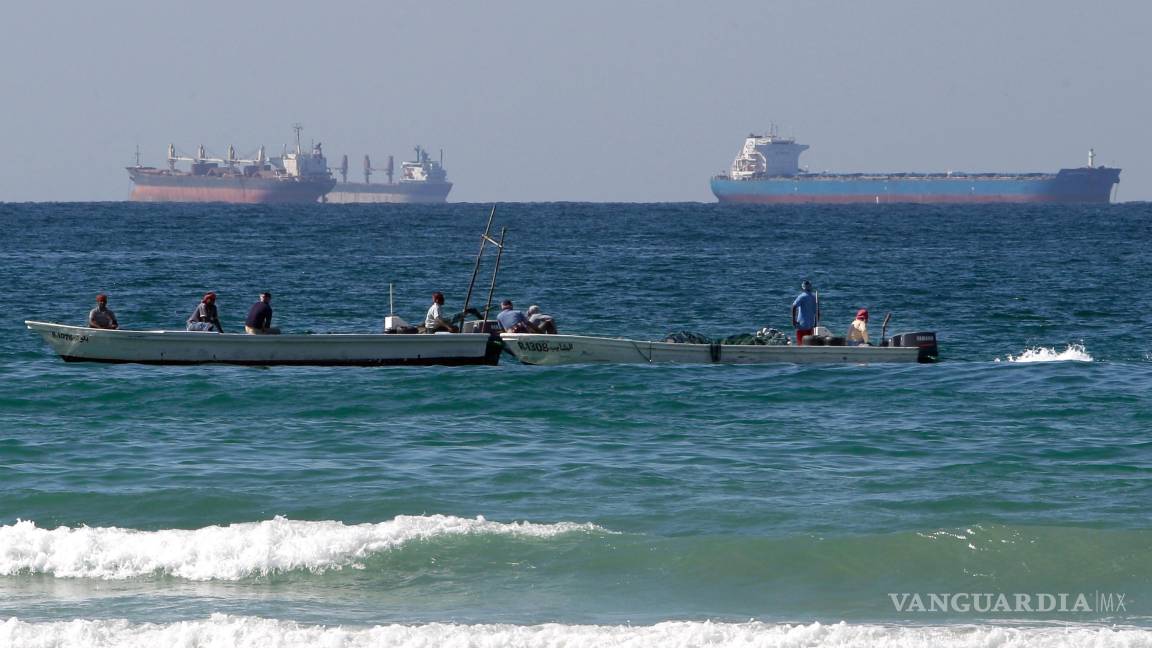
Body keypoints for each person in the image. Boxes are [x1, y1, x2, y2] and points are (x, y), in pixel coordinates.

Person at [790, 280, 819, 345]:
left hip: (801, 325)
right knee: (808, 344)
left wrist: (793, 320)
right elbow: (817, 312)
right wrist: (816, 323)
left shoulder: (801, 296)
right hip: (810, 325)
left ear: (803, 287)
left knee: (800, 344)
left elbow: (794, 306)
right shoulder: (814, 297)